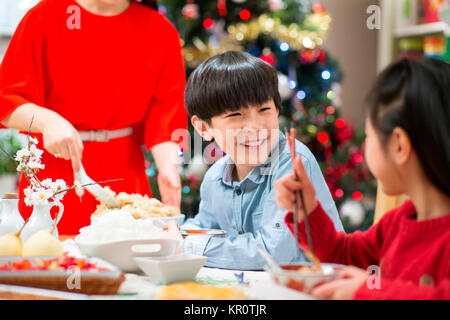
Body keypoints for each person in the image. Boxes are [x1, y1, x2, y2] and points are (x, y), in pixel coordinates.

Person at [0, 0, 187, 234]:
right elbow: (7, 100)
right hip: (52, 183)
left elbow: (166, 119)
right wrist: (48, 121)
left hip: (125, 183)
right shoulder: (44, 16)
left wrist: (168, 170)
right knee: (49, 263)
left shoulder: (159, 29)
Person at [274, 58, 450, 299]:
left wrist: (369, 289)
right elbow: (343, 256)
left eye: (369, 135)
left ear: (399, 145)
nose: (364, 145)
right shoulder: (396, 224)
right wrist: (308, 209)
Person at [164, 51, 343, 270]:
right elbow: (203, 228)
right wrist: (171, 232)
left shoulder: (293, 163)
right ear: (203, 128)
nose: (255, 127)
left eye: (264, 109)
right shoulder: (214, 177)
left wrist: (188, 245)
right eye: (235, 115)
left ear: (277, 110)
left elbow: (273, 252)